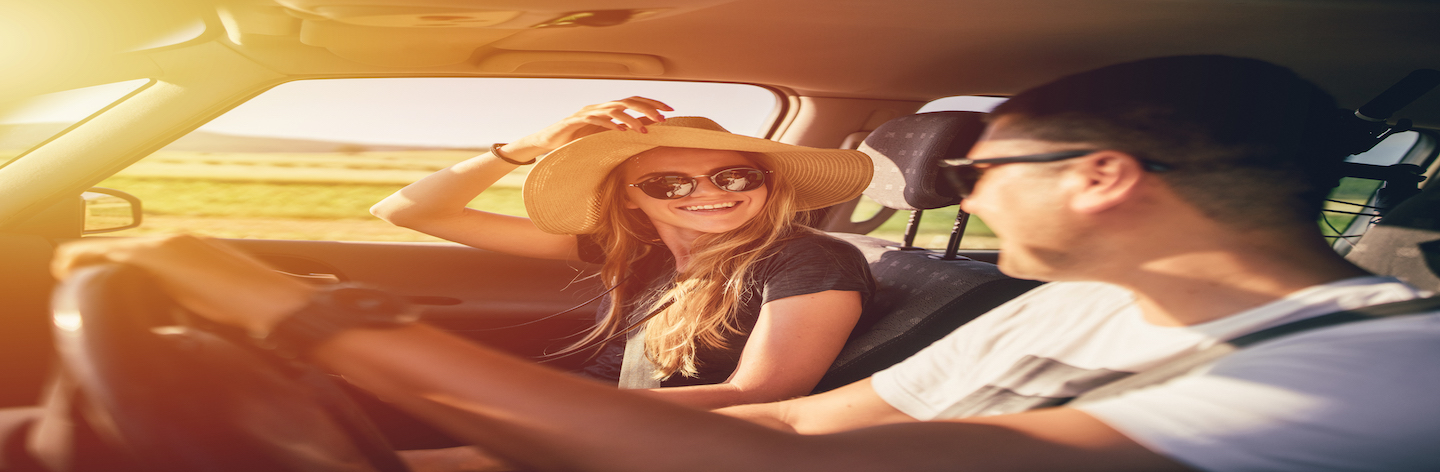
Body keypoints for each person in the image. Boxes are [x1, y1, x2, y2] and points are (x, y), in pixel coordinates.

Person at [51, 55, 1440, 471]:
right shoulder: (1074, 304)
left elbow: (776, 451)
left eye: (975, 169)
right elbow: (794, 422)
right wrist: (422, 443)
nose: (950, 196)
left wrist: (302, 328)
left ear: (1101, 177)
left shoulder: (1384, 376)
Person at [368, 98, 876, 408]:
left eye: (735, 175)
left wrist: (527, 413)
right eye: (668, 183)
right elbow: (408, 212)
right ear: (628, 196)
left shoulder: (808, 261)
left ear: (767, 183)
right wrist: (525, 147)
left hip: (612, 428)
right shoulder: (638, 249)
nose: (707, 192)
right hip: (573, 404)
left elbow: (760, 396)